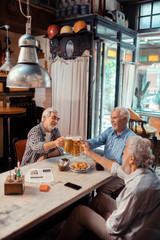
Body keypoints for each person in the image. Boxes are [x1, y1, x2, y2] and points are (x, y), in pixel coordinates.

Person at [57, 136, 160, 240]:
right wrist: (90, 153)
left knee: (79, 211)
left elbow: (113, 227)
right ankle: (84, 229)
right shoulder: (148, 173)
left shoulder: (135, 188)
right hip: (137, 219)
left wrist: (107, 215)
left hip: (122, 235)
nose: (122, 157)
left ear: (132, 158)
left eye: (124, 153)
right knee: (100, 198)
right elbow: (116, 169)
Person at [84, 106, 136, 195]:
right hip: (105, 168)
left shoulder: (132, 138)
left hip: (121, 174)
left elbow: (125, 163)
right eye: (111, 117)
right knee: (86, 181)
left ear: (124, 120)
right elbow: (97, 140)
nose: (111, 120)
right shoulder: (109, 131)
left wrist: (102, 160)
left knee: (101, 189)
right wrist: (88, 143)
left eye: (114, 118)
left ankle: (100, 205)